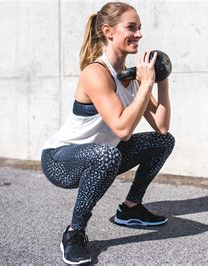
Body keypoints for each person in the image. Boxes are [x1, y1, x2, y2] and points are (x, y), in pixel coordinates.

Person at [40, 2, 175, 264]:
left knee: (163, 142)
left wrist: (162, 80)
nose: (139, 34)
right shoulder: (96, 73)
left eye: (140, 28)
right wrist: (146, 84)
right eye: (131, 28)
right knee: (106, 156)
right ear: (109, 31)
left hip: (103, 154)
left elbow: (161, 127)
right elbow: (123, 129)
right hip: (60, 160)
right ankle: (74, 232)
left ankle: (130, 209)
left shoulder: (134, 78)